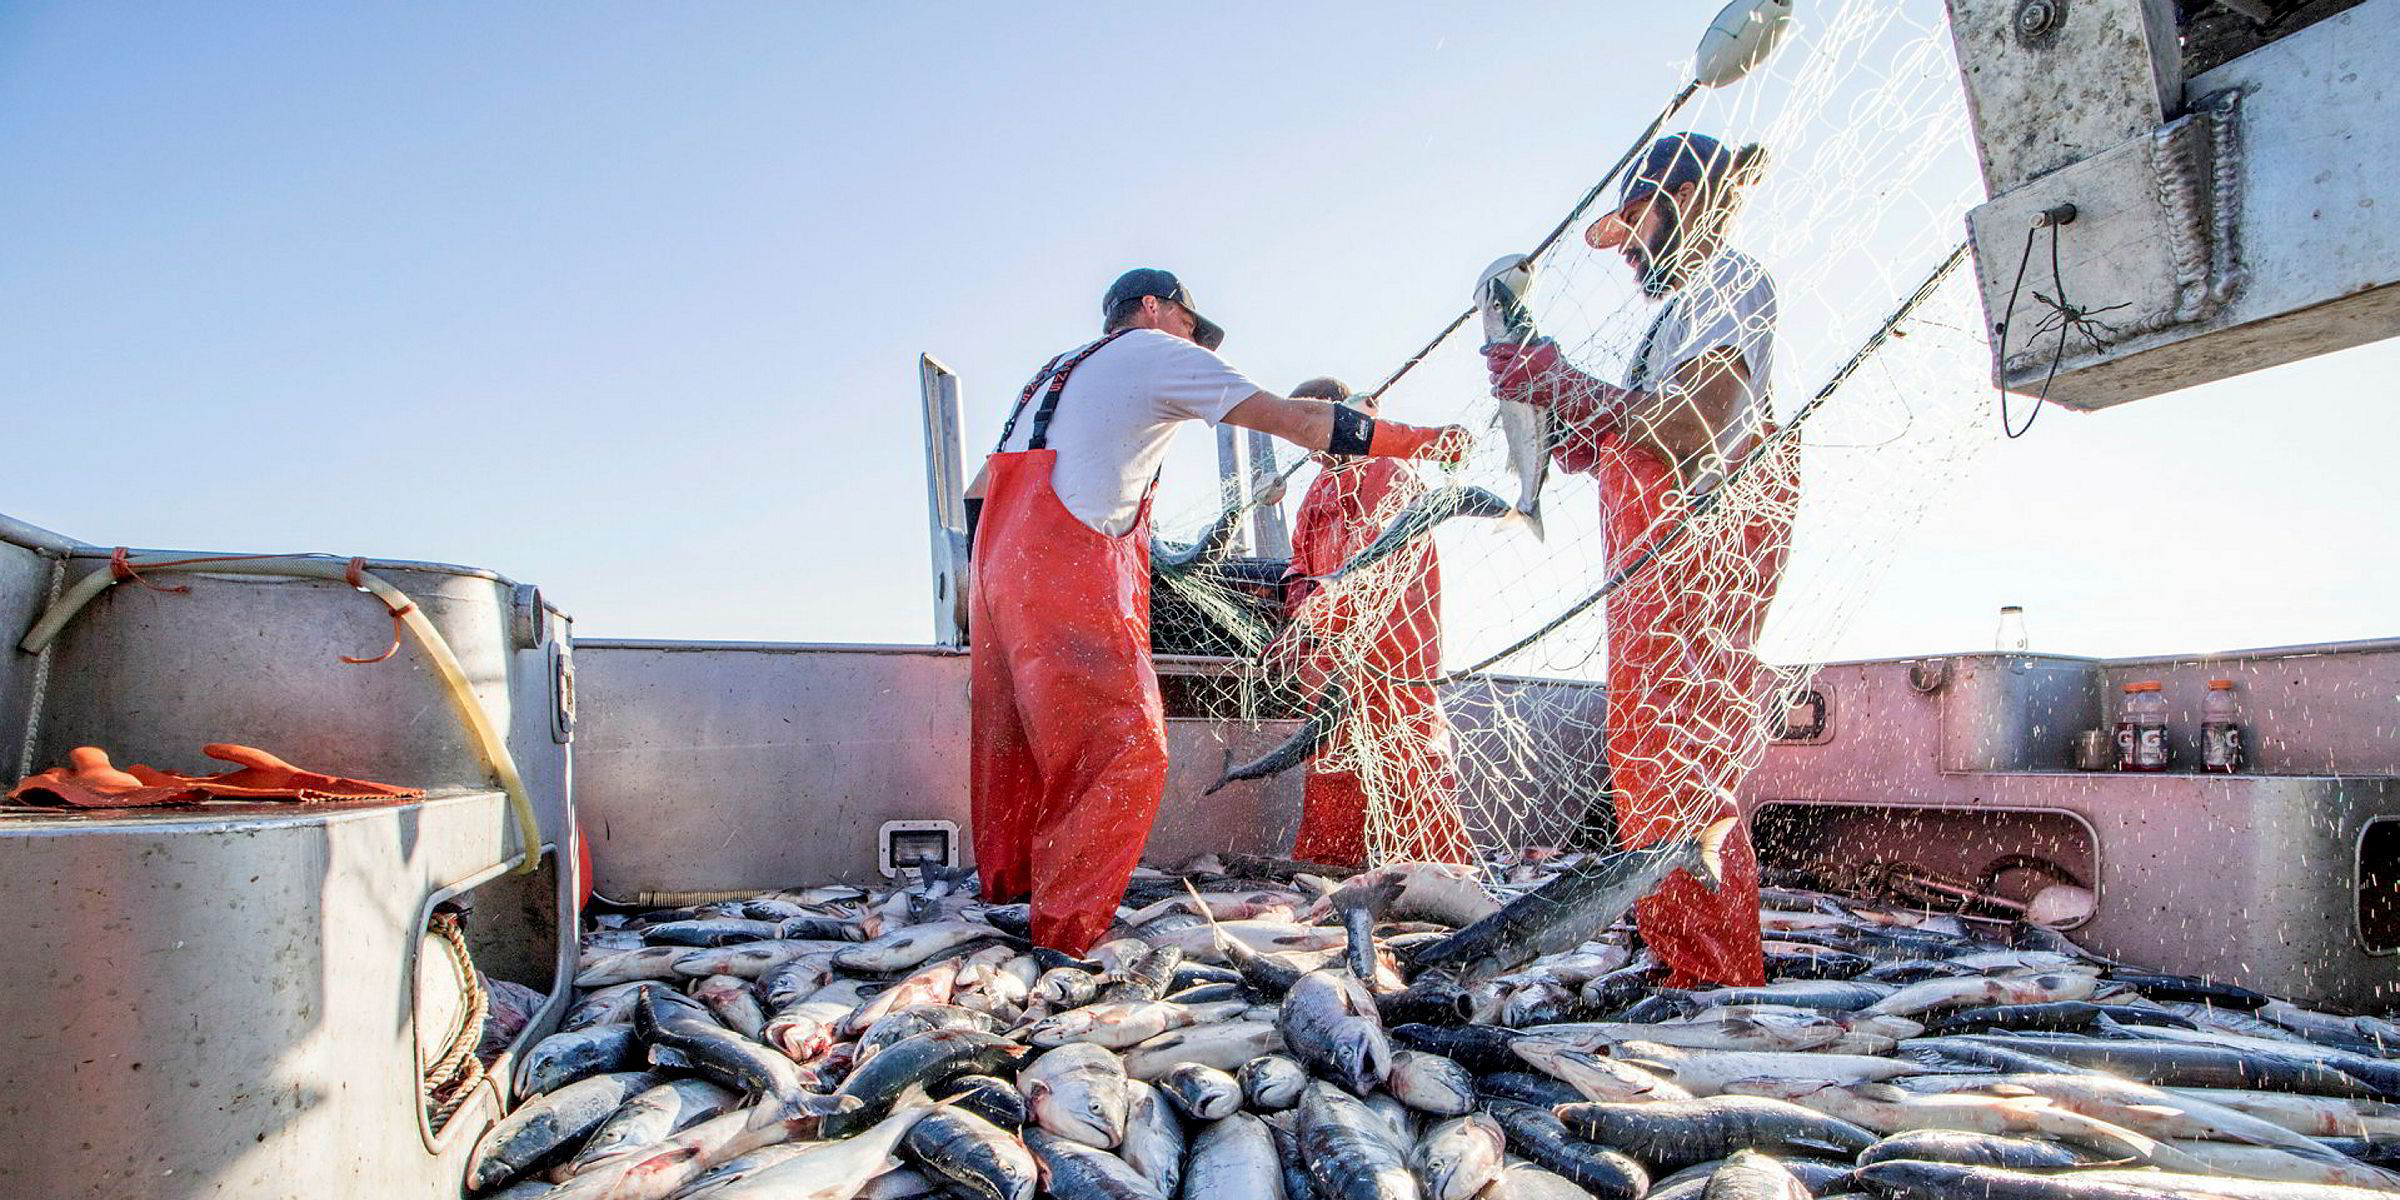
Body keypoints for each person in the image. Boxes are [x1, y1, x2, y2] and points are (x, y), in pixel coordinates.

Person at [969, 268, 1470, 954]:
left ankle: (1009, 905)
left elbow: (979, 489)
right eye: (1190, 324)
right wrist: (1416, 440)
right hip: (1062, 566)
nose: (1196, 342)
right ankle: (1066, 942)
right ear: (1153, 308)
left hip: (996, 564)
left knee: (1018, 744)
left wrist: (990, 583)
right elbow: (1295, 421)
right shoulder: (1156, 352)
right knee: (1124, 747)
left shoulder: (1053, 371)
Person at [1483, 133, 1791, 988]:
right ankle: (1678, 959)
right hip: (1654, 574)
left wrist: (1574, 392)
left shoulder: (1730, 283)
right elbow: (1646, 422)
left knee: (1682, 772)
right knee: (1650, 770)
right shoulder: (1677, 312)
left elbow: (1696, 424)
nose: (1626, 257)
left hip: (1699, 563)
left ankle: (1715, 982)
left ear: (1684, 200)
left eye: (1636, 228)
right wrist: (1585, 424)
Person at [1275, 378, 1472, 868]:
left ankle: (1438, 877)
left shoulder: (1392, 472)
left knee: (1409, 760)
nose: (1309, 442)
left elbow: (1374, 569)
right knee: (1331, 763)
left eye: (1314, 424)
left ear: (1341, 420)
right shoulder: (1319, 488)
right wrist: (1298, 594)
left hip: (1394, 652)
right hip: (1329, 660)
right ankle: (1327, 876)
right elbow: (1299, 561)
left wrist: (1314, 616)